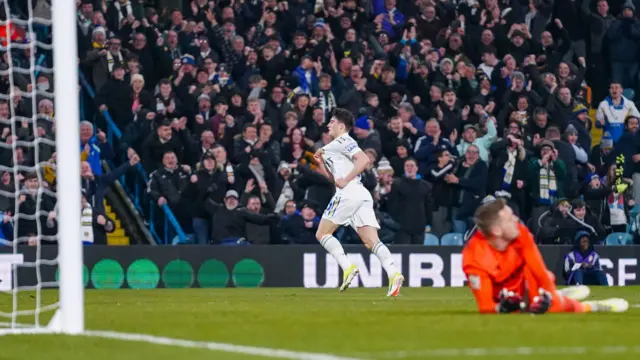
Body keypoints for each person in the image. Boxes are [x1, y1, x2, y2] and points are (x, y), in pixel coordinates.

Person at [462, 198, 628, 314]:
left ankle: (592, 306)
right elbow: (485, 306)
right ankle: (562, 296)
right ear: (497, 231)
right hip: (502, 296)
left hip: (526, 285)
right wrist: (503, 308)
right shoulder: (474, 259)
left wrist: (549, 297)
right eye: (509, 218)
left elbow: (539, 271)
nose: (516, 219)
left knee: (554, 305)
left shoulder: (520, 233)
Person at [313, 108, 404, 296]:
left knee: (322, 234)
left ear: (340, 125)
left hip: (349, 192)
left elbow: (363, 160)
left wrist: (345, 180)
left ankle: (347, 267)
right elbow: (333, 178)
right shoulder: (332, 147)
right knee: (371, 241)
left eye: (331, 122)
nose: (328, 125)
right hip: (359, 194)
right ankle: (394, 273)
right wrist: (321, 163)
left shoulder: (344, 140)